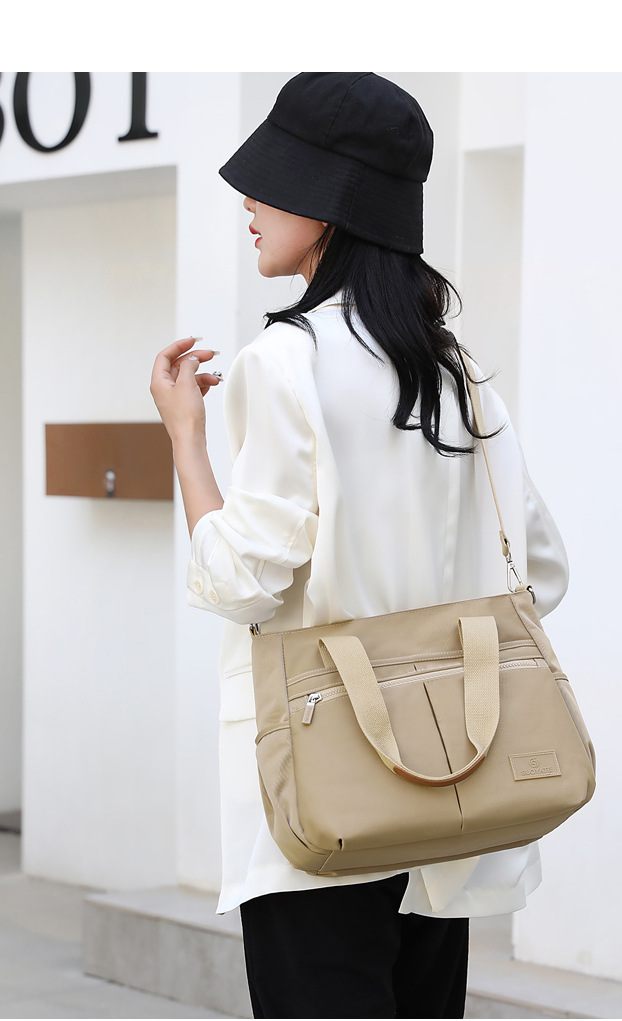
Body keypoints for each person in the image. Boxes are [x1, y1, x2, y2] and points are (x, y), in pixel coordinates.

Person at [151, 72, 569, 1020]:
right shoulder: (456, 374)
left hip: (325, 797)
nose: (248, 203)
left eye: (270, 183)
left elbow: (240, 581)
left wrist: (185, 436)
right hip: (451, 799)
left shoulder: (285, 361)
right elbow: (541, 573)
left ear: (328, 204)